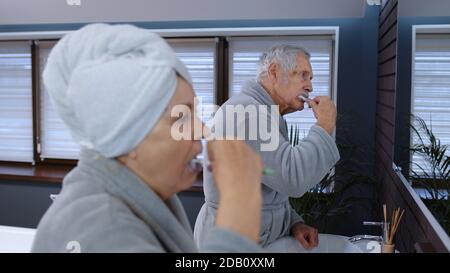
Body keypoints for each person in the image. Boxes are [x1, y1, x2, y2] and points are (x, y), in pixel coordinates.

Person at [31, 23, 263, 253]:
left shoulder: (145, 192)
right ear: (126, 136)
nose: (202, 130)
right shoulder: (102, 233)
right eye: (180, 118)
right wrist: (240, 200)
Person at [194, 45, 340, 251]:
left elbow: (270, 181)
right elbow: (292, 177)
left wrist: (293, 222)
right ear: (274, 72)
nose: (310, 86)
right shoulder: (247, 114)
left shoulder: (267, 115)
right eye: (303, 75)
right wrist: (324, 125)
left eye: (311, 78)